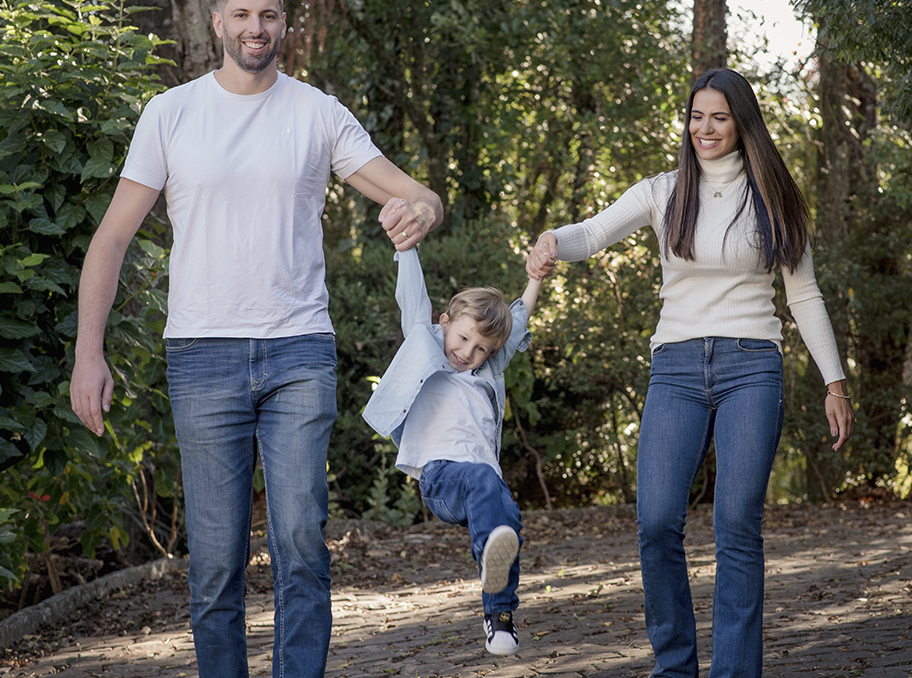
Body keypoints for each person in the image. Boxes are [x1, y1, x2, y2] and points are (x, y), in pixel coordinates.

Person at [69, 0, 442, 678]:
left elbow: (417, 193)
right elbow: (110, 240)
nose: (256, 29)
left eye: (268, 16)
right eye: (242, 15)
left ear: (283, 24)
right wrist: (90, 351)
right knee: (214, 564)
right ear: (217, 23)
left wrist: (419, 212)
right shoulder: (170, 113)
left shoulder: (316, 113)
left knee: (302, 540)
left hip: (298, 350)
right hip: (202, 356)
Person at [525, 68, 855, 678]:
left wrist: (834, 382)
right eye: (696, 116)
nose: (705, 128)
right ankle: (674, 667)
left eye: (719, 117)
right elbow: (593, 233)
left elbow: (804, 295)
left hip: (752, 366)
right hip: (675, 368)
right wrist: (551, 240)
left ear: (742, 122)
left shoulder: (775, 197)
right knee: (655, 521)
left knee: (735, 523)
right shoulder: (664, 191)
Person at [362, 245, 547, 656]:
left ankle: (499, 619)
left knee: (509, 520)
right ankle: (489, 558)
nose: (467, 353)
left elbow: (517, 325)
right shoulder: (424, 347)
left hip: (483, 483)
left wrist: (535, 277)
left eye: (481, 349)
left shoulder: (487, 372)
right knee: (484, 485)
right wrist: (406, 247)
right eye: (463, 338)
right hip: (442, 477)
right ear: (444, 323)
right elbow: (413, 296)